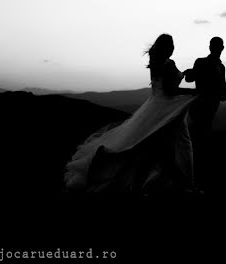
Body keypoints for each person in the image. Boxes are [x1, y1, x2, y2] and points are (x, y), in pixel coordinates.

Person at [64, 34, 200, 193]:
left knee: (149, 147)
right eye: (171, 46)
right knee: (175, 146)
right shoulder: (168, 64)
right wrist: (194, 91)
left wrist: (183, 74)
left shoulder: (156, 62)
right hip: (165, 110)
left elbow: (165, 85)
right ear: (168, 48)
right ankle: (185, 184)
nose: (172, 49)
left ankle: (167, 184)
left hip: (154, 106)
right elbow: (170, 91)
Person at [183, 37, 226, 188]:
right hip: (199, 108)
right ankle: (193, 180)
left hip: (209, 109)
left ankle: (195, 179)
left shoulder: (220, 67)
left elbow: (223, 94)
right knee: (197, 142)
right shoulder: (202, 63)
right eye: (216, 46)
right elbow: (190, 78)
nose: (217, 49)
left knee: (199, 143)